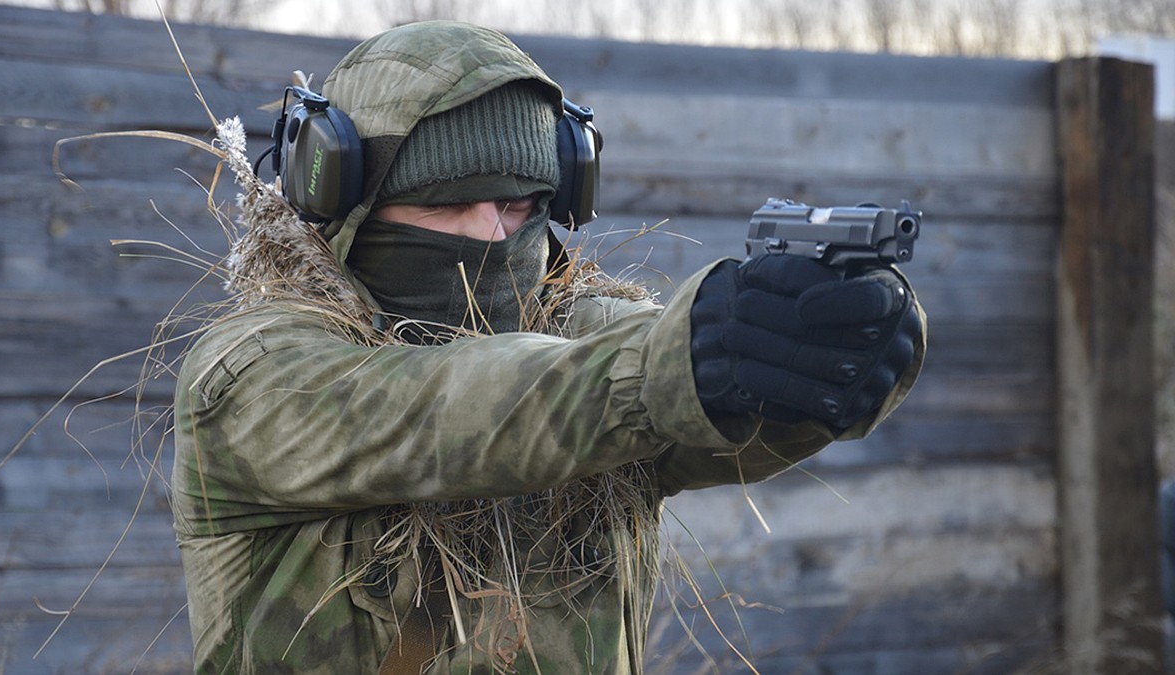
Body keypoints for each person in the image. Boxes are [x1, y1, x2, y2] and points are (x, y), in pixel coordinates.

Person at [171, 20, 925, 675]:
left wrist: (832, 360)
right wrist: (673, 359)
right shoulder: (251, 373)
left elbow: (712, 418)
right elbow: (450, 408)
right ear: (340, 199)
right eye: (446, 204)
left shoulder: (583, 333)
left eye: (519, 203)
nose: (494, 234)